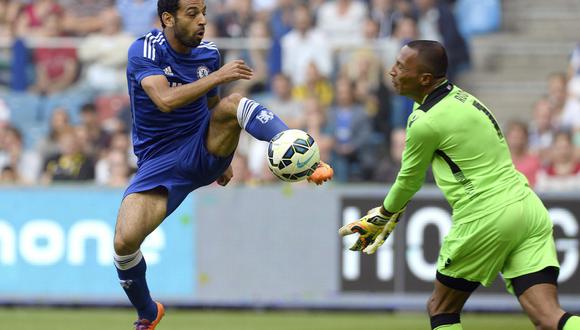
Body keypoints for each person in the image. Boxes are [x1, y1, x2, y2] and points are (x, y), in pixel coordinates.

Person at [113, 1, 334, 329]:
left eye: (203, 11)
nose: (202, 20)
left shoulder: (208, 53)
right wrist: (218, 76)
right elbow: (165, 100)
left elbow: (213, 104)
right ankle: (148, 312)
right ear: (168, 18)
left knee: (233, 102)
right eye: (192, 13)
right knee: (123, 242)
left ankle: (305, 158)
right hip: (159, 161)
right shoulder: (144, 50)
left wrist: (221, 155)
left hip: (201, 148)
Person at [339, 40, 580, 330]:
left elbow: (409, 180)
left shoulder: (425, 121)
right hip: (528, 209)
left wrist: (385, 213)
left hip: (486, 215)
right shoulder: (468, 100)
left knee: (441, 308)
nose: (392, 71)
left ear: (425, 79)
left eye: (401, 67)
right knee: (550, 318)